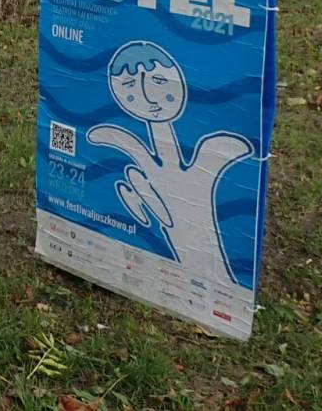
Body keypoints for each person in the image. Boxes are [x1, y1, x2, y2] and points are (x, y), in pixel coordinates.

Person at [88, 41, 252, 282]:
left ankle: (211, 283)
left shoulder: (208, 149)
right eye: (131, 86)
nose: (148, 98)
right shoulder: (131, 144)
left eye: (158, 81)